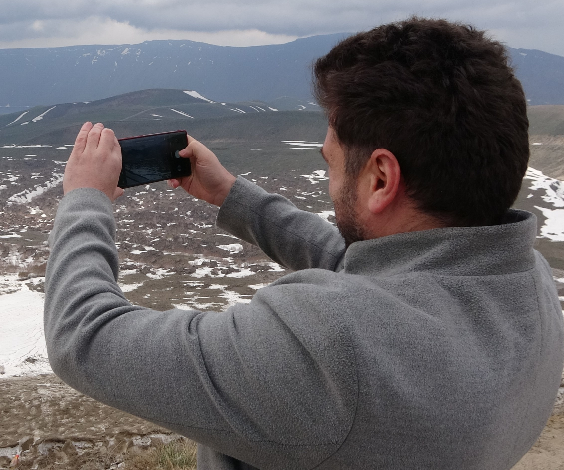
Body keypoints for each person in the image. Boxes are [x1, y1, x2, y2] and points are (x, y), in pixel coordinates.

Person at [44, 17, 564, 469]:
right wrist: (232, 196)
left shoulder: (334, 350)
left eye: (331, 162)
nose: (328, 177)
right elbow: (378, 275)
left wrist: (86, 198)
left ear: (381, 179)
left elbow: (84, 338)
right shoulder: (526, 286)